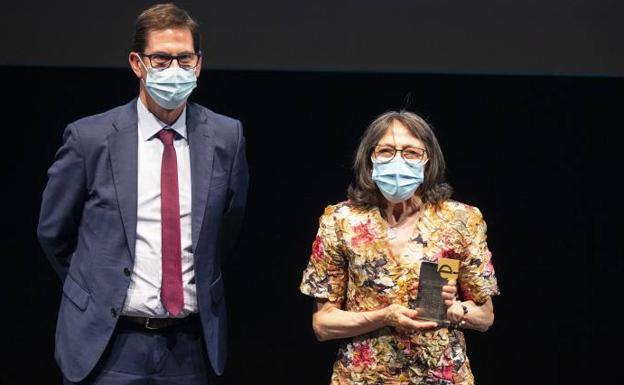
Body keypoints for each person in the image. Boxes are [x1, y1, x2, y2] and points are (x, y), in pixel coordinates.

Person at [37, 3, 248, 384]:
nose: (175, 70)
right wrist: (97, 289)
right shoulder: (90, 138)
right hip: (107, 342)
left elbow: (225, 231)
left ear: (198, 64)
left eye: (185, 59)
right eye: (161, 59)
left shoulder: (226, 137)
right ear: (138, 63)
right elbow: (54, 232)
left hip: (189, 346)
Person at [300, 111, 499, 385]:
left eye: (410, 152)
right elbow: (323, 324)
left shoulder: (461, 220)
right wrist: (385, 316)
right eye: (386, 151)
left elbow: (485, 317)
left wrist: (457, 309)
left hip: (440, 377)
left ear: (427, 160)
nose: (398, 161)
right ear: (370, 157)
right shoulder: (341, 220)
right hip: (363, 377)